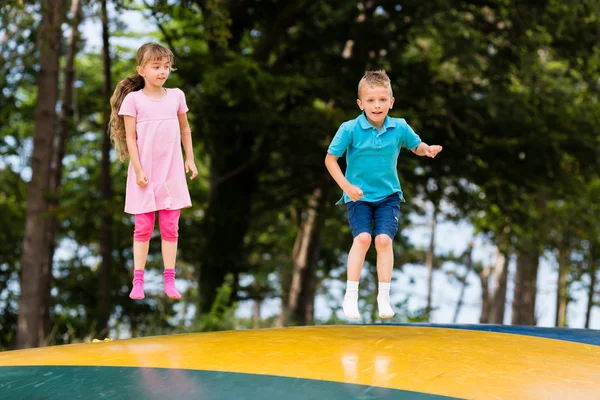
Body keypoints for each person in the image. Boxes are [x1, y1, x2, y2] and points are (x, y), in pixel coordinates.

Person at [325, 70, 442, 320]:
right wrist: (346, 186)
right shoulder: (349, 129)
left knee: (384, 241)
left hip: (388, 195)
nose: (376, 105)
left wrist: (427, 149)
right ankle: (351, 294)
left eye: (381, 100)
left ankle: (384, 296)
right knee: (364, 238)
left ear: (391, 101)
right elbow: (330, 159)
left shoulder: (399, 126)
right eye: (370, 100)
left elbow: (415, 146)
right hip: (358, 196)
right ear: (360, 104)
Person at [109, 42, 198, 300]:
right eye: (156, 67)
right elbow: (130, 139)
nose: (162, 72)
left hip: (171, 174)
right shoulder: (133, 100)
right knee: (143, 227)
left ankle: (169, 280)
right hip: (144, 175)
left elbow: (185, 129)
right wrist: (137, 170)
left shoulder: (177, 96)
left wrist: (190, 158)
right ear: (141, 70)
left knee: (171, 227)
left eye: (166, 67)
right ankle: (138, 280)